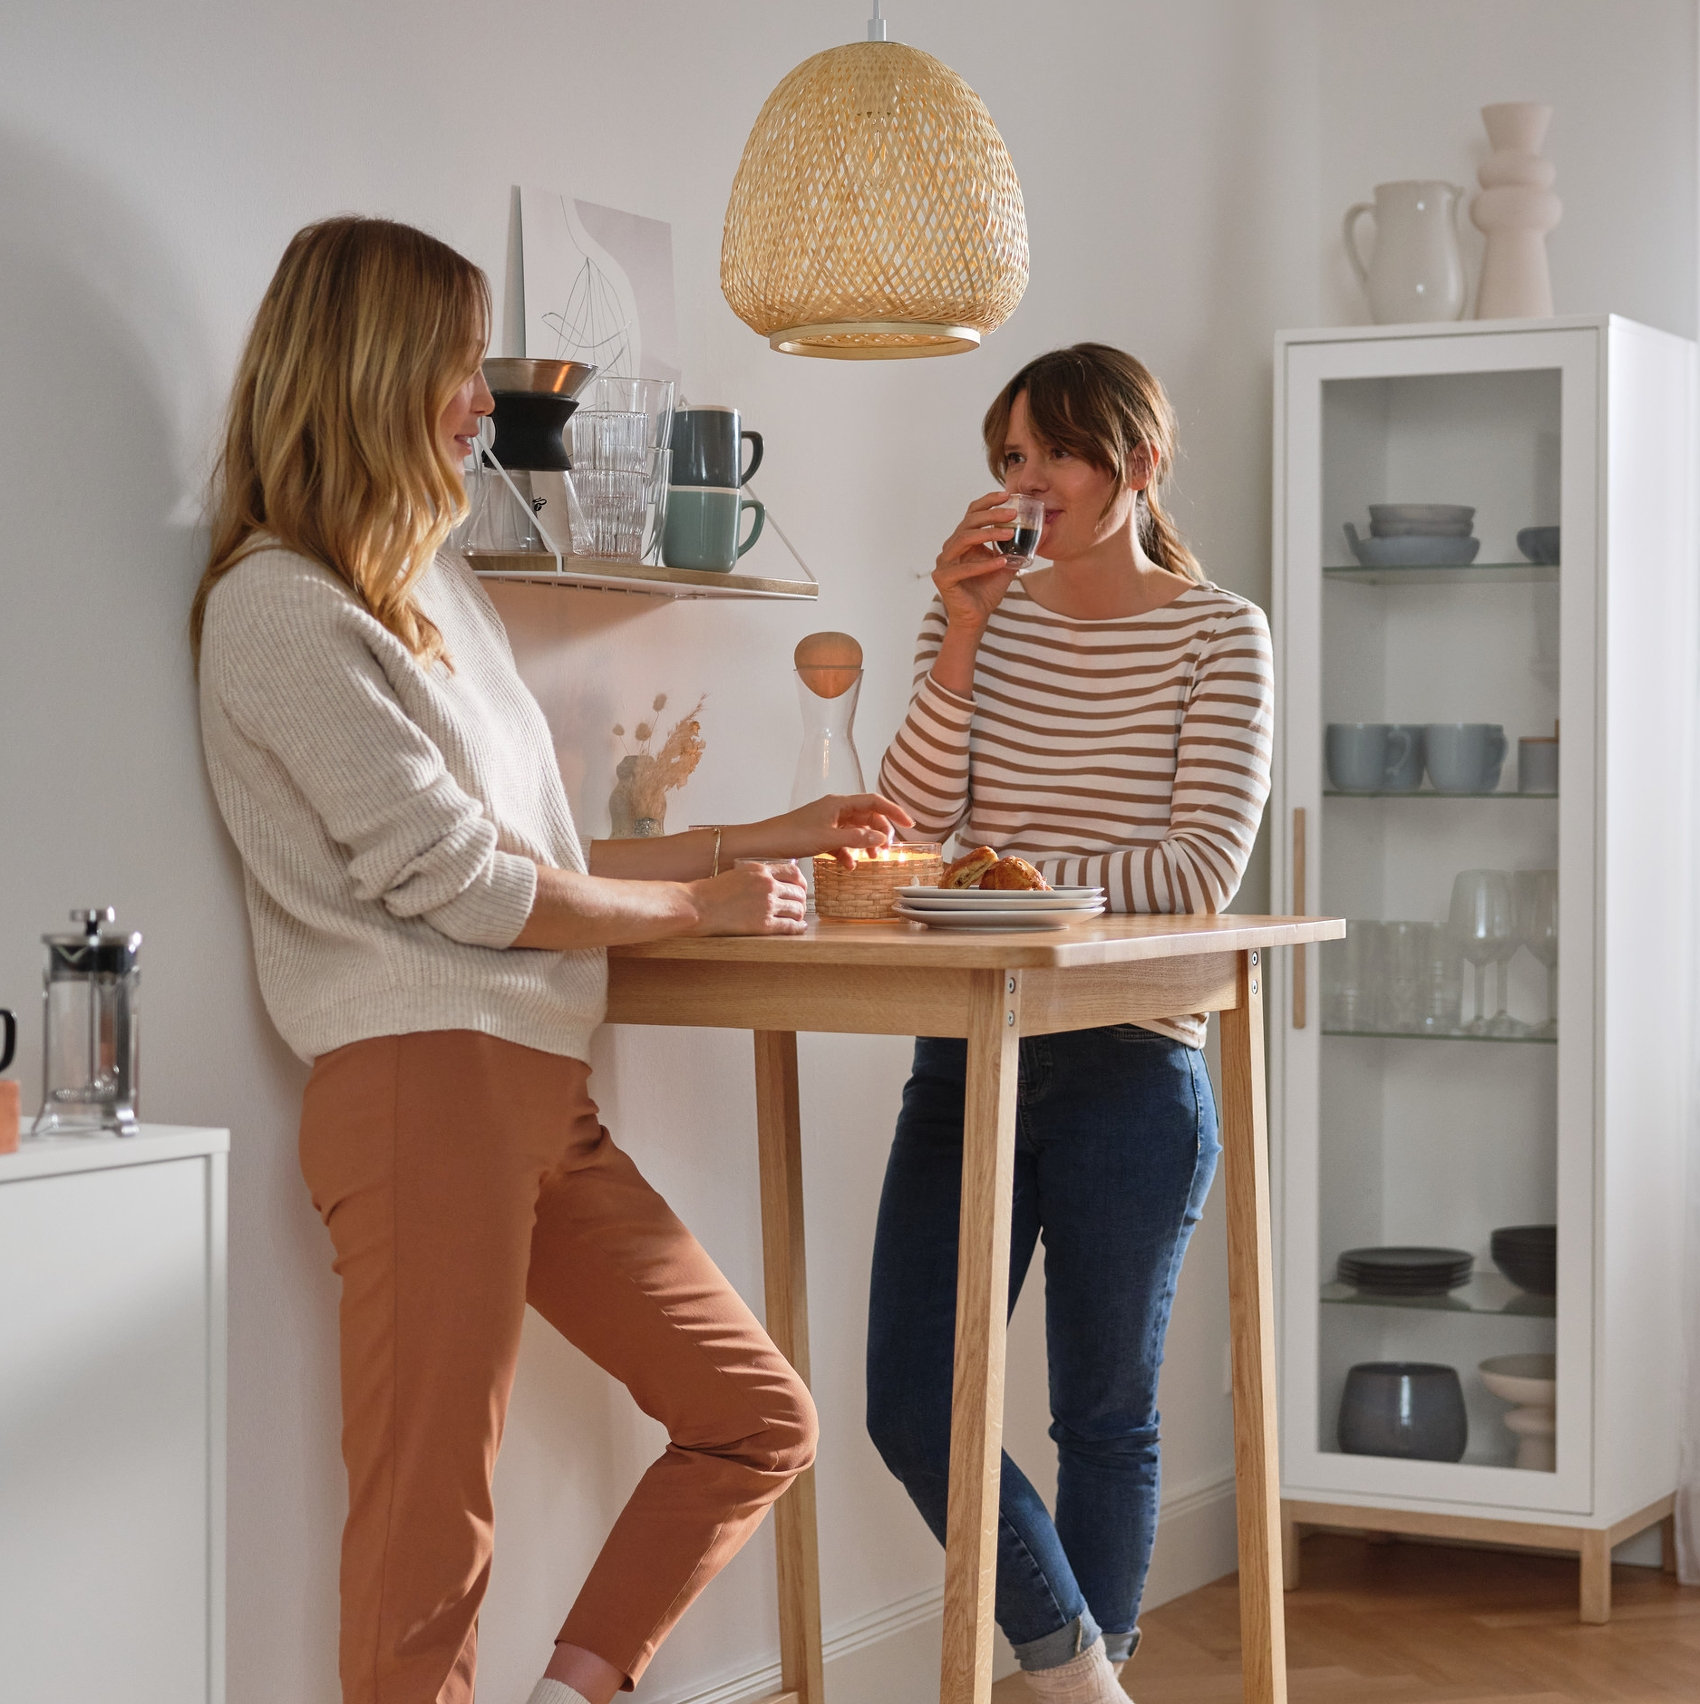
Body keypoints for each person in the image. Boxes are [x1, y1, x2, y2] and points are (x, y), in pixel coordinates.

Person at [192, 215, 911, 1704]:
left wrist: (753, 838)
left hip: (532, 1082)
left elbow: (544, 856)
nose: (485, 401)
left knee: (752, 1415)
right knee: (426, 1530)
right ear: (373, 371)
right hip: (419, 1088)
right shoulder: (278, 606)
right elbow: (463, 887)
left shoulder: (436, 594)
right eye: (461, 366)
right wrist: (700, 916)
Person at [870, 344, 1275, 1703]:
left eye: (1050, 455)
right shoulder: (972, 619)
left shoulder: (1223, 635)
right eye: (1008, 460)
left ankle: (1067, 1673)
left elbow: (1196, 877)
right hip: (971, 1046)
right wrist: (966, 628)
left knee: (1104, 1414)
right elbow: (911, 835)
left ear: (1138, 464)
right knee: (909, 1397)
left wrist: (1022, 884)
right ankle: (1080, 1676)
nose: (1022, 484)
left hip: (1132, 1058)